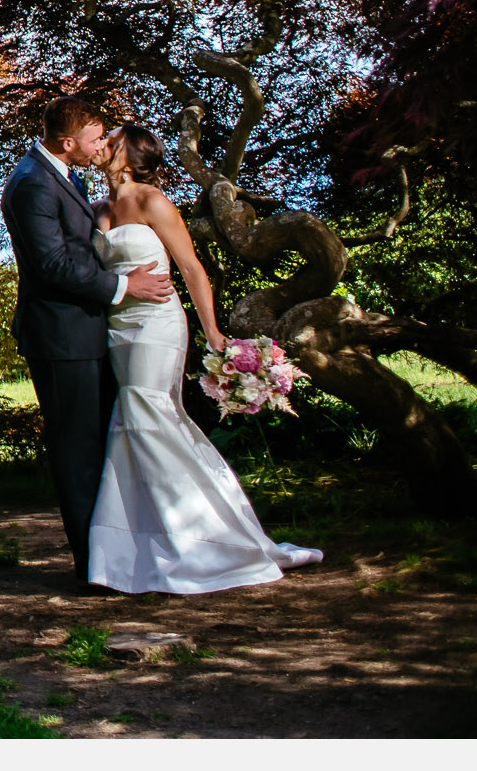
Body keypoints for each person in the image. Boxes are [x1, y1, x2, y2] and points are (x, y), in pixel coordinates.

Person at [86, 123, 322, 592]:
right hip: (118, 328)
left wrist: (212, 331)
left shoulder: (153, 201)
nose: (103, 145)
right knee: (137, 427)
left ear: (131, 154)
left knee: (146, 417)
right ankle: (135, 549)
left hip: (158, 326)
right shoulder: (95, 207)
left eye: (111, 140)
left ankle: (207, 541)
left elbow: (191, 267)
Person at [2, 96, 173, 590]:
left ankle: (113, 557)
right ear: (68, 142)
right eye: (96, 139)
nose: (102, 147)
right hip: (61, 337)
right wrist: (125, 287)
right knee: (77, 453)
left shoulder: (60, 174)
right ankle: (93, 570)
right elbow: (53, 264)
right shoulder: (32, 183)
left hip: (86, 332)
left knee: (99, 446)